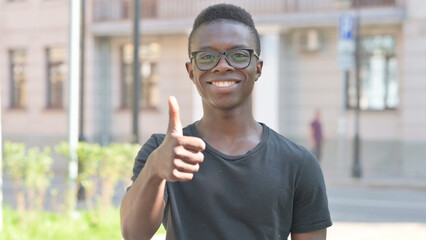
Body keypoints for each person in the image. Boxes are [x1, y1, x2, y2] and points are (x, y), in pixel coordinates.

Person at [120, 4, 332, 240]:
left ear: (258, 68)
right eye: (207, 56)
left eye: (239, 55)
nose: (222, 65)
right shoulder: (165, 152)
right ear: (191, 71)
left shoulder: (299, 163)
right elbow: (133, 234)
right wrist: (154, 170)